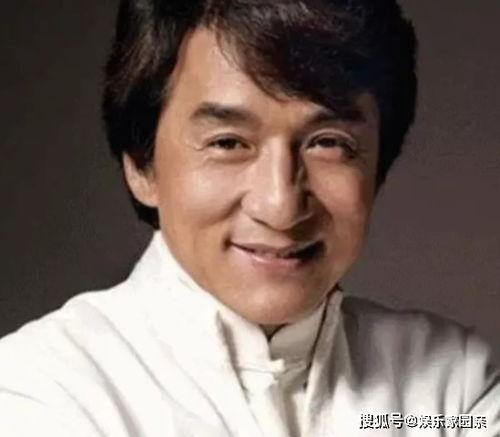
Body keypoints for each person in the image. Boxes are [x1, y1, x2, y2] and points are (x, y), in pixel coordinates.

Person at [0, 0, 498, 436]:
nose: (281, 205)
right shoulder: (42, 390)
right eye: (228, 143)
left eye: (328, 143)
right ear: (141, 165)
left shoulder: (449, 390)